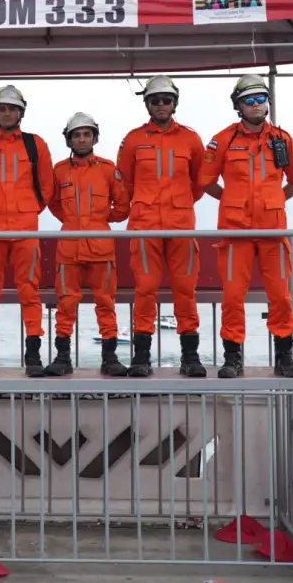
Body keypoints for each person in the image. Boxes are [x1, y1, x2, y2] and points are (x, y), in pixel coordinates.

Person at [200, 74, 293, 379]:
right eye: (249, 100)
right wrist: (230, 200)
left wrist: (276, 201)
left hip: (273, 232)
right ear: (238, 106)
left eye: (261, 99)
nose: (256, 105)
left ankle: (285, 357)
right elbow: (206, 181)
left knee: (281, 296)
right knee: (233, 296)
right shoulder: (223, 140)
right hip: (235, 233)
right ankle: (233, 358)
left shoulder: (282, 139)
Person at [116, 76, 208, 378]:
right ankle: (141, 356)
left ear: (174, 103)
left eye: (166, 100)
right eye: (155, 100)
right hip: (144, 226)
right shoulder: (132, 140)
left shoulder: (192, 139)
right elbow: (124, 183)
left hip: (181, 225)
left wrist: (179, 206)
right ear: (147, 104)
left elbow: (200, 183)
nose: (161, 105)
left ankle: (190, 356)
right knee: (145, 289)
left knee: (185, 290)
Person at [0, 85, 55, 376]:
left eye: (11, 108)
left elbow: (46, 188)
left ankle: (33, 357)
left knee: (29, 292)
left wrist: (26, 211)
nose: (6, 113)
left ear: (21, 112)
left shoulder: (35, 144)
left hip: (25, 230)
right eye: (1, 108)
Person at [46, 113, 131, 377]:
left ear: (94, 138)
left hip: (101, 248)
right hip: (69, 249)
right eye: (76, 135)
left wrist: (99, 222)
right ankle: (62, 358)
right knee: (66, 304)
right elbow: (53, 203)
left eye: (86, 134)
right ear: (69, 139)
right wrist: (74, 223)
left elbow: (123, 206)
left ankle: (110, 358)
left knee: (106, 303)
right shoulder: (59, 171)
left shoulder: (108, 169)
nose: (82, 139)